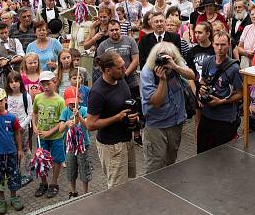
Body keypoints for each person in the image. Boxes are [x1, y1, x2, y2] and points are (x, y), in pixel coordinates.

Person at [86, 50, 139, 189]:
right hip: (112, 146)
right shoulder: (97, 92)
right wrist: (117, 118)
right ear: (108, 70)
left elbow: (125, 105)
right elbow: (90, 124)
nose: (125, 69)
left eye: (124, 65)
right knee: (117, 189)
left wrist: (134, 116)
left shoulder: (121, 80)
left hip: (127, 140)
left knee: (130, 182)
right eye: (120, 67)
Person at [140, 42, 195, 173]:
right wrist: (162, 81)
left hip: (176, 124)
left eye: (168, 59)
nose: (165, 63)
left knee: (171, 162)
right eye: (162, 59)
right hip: (156, 127)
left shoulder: (174, 64)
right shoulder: (147, 72)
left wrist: (175, 66)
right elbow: (156, 102)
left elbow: (192, 75)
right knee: (156, 166)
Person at [197, 32, 243, 154]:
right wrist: (202, 88)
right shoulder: (207, 62)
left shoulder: (234, 68)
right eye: (217, 44)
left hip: (224, 118)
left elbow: (240, 93)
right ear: (212, 44)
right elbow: (203, 80)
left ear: (229, 45)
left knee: (221, 155)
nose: (219, 48)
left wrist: (221, 101)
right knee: (202, 151)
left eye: (223, 45)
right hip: (207, 114)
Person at [0, 87, 24, 214]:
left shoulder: (12, 117)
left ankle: (14, 196)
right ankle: (1, 199)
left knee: (13, 175)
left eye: (0, 101)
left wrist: (19, 149)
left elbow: (17, 133)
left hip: (11, 152)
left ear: (6, 100)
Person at [32, 70, 65, 198]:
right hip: (41, 137)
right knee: (41, 159)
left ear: (55, 82)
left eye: (48, 83)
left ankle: (54, 183)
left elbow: (62, 121)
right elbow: (34, 112)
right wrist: (34, 126)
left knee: (57, 160)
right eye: (43, 84)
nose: (45, 87)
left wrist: (50, 132)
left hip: (56, 136)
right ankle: (43, 183)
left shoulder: (60, 101)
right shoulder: (38, 97)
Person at [60, 86, 92, 197]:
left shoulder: (84, 110)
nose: (72, 105)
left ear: (79, 99)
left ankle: (85, 192)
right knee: (71, 169)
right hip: (70, 146)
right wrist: (67, 123)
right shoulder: (65, 112)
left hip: (83, 145)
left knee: (84, 168)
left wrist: (79, 116)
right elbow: (60, 129)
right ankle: (73, 191)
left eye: (74, 102)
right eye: (70, 103)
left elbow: (87, 125)